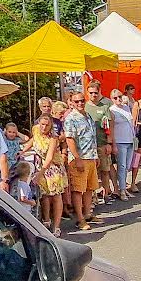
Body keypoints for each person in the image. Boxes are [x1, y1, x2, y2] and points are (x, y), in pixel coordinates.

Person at [62, 92, 98, 231]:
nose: (80, 103)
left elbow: (91, 137)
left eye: (82, 101)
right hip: (79, 158)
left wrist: (96, 156)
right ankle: (80, 219)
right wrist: (77, 158)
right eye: (76, 101)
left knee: (89, 188)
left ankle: (87, 214)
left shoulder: (87, 115)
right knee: (78, 190)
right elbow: (69, 139)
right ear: (72, 102)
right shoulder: (71, 118)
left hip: (91, 156)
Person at [28, 116, 69, 235]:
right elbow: (32, 141)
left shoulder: (53, 138)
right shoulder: (36, 131)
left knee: (56, 197)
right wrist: (23, 150)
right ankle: (46, 220)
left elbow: (50, 157)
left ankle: (56, 226)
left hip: (53, 168)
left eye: (47, 125)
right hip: (41, 166)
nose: (44, 127)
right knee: (44, 196)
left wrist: (39, 174)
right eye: (42, 124)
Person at [108, 91, 136, 200]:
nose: (118, 99)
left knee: (127, 166)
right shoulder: (112, 110)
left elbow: (131, 123)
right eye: (115, 98)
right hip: (120, 141)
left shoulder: (126, 108)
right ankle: (122, 190)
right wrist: (113, 144)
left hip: (130, 139)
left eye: (120, 97)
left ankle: (123, 187)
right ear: (112, 99)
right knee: (122, 165)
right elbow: (111, 128)